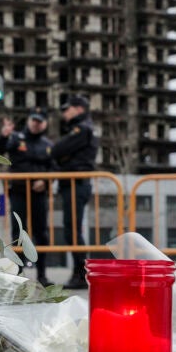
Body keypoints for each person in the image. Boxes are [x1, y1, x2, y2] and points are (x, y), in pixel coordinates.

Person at [0, 106, 55, 286]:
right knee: (19, 232)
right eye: (33, 120)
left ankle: (42, 274)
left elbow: (54, 168)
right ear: (29, 120)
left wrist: (45, 182)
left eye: (39, 121)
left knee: (41, 232)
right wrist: (3, 136)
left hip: (38, 194)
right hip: (18, 192)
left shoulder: (48, 145)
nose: (36, 124)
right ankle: (18, 273)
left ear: (45, 124)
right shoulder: (15, 138)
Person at [52, 94, 98, 289]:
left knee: (73, 230)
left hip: (76, 183)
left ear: (79, 109)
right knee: (72, 230)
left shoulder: (82, 129)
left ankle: (80, 273)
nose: (64, 113)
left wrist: (61, 156)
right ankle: (79, 273)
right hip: (72, 184)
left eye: (67, 108)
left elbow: (57, 150)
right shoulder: (81, 128)